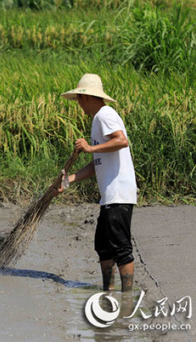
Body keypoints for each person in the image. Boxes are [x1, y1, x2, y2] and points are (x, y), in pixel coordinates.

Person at [57, 73, 137, 292]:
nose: (79, 104)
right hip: (109, 197)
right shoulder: (98, 120)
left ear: (86, 97)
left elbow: (121, 141)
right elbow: (97, 163)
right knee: (103, 245)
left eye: (80, 99)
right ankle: (108, 291)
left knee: (121, 248)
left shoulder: (105, 115)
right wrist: (69, 180)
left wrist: (91, 148)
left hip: (118, 194)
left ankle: (127, 296)